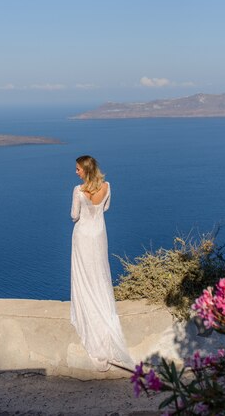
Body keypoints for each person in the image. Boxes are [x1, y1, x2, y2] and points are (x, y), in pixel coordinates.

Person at [70, 155, 133, 371]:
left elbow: (74, 215)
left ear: (86, 170)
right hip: (99, 234)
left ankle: (88, 313)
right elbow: (105, 209)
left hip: (82, 236)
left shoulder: (78, 190)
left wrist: (81, 207)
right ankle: (103, 311)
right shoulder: (107, 186)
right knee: (99, 274)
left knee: (84, 276)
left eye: (78, 169)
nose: (76, 172)